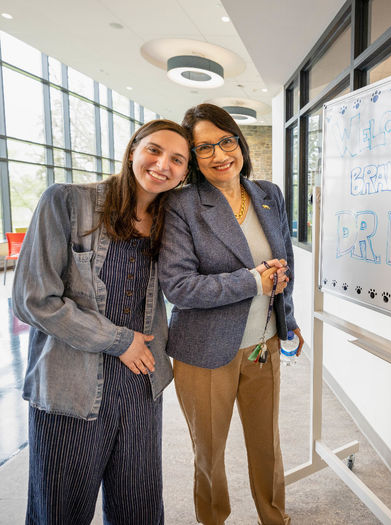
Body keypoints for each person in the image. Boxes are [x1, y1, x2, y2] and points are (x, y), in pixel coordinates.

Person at [12, 119, 191, 525]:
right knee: (58, 513)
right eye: (154, 150)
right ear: (133, 150)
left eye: (177, 160)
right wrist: (118, 340)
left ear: (184, 173)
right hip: (70, 388)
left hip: (141, 386)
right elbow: (32, 299)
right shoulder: (66, 202)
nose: (163, 164)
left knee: (140, 511)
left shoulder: (171, 222)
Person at [159, 103, 303, 525]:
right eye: (205, 148)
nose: (220, 155)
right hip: (203, 351)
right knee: (209, 451)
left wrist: (287, 319)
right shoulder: (181, 205)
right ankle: (213, 519)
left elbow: (284, 262)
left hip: (264, 342)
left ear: (239, 141)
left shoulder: (268, 195)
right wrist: (252, 282)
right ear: (193, 157)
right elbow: (179, 287)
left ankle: (275, 517)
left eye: (226, 141)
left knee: (267, 444)